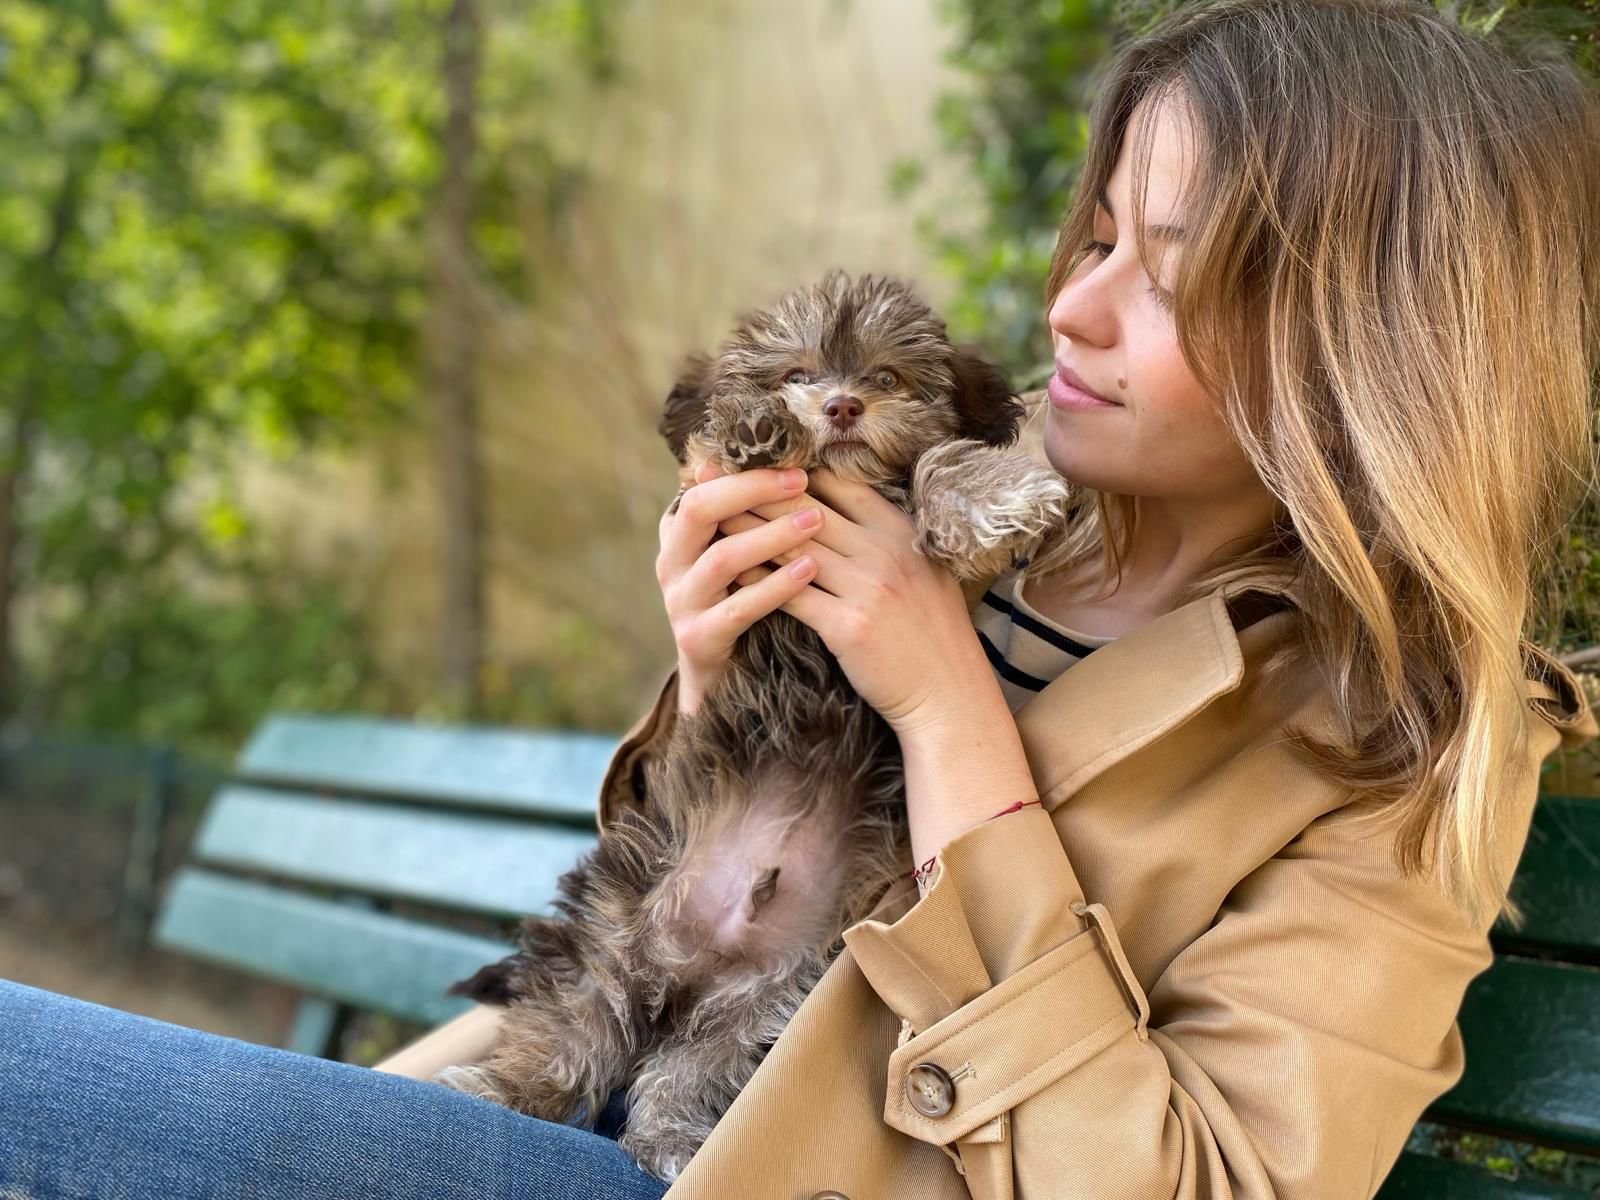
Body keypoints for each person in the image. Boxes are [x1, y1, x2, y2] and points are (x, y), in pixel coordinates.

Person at [4, 1, 1597, 1197]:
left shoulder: (1401, 747)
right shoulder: (983, 510)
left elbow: (1197, 1180)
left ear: (1372, 359)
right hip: (570, 1101)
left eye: (1165, 276)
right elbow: (676, 911)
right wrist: (714, 688)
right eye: (1094, 235)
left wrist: (945, 701)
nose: (1072, 306)